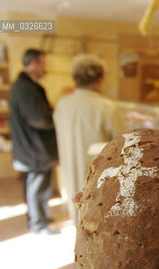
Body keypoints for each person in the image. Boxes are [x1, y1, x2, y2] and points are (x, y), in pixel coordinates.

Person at [54, 54, 126, 224]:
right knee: (97, 225)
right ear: (100, 78)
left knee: (78, 216)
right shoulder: (106, 107)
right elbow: (125, 145)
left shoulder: (62, 104)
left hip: (69, 172)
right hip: (99, 181)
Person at [9, 48, 59, 235]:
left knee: (38, 184)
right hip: (34, 148)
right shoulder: (26, 88)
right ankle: (38, 224)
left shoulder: (24, 86)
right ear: (34, 63)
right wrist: (52, 113)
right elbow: (39, 118)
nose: (44, 67)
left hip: (32, 147)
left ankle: (40, 218)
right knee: (37, 185)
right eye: (43, 63)